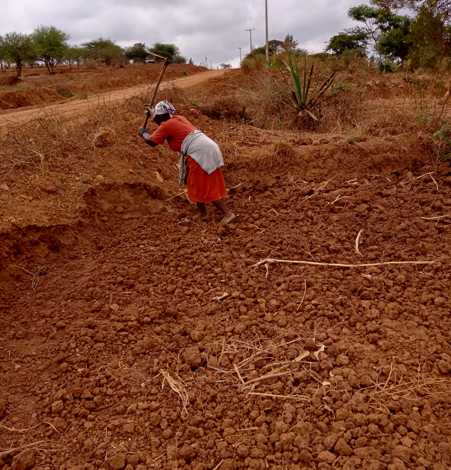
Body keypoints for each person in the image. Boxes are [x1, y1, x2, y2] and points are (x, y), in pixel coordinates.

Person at [138, 101, 236, 224]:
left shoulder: (167, 125)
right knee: (193, 181)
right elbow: (164, 124)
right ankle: (202, 213)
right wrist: (153, 116)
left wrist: (143, 133)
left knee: (204, 184)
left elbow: (152, 141)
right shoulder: (179, 118)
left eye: (158, 115)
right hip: (206, 148)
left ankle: (227, 214)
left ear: (162, 115)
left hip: (201, 152)